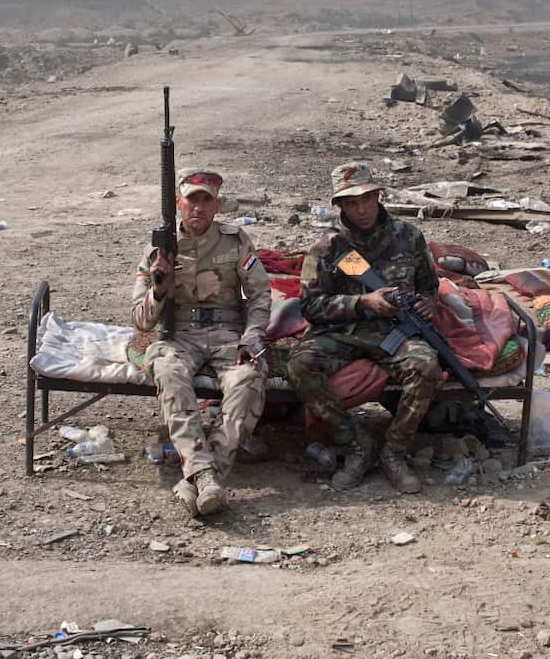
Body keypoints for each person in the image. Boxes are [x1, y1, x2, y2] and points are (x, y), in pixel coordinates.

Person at [286, 162, 442, 494]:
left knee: (426, 365)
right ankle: (357, 443)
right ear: (340, 205)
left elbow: (430, 284)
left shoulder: (408, 237)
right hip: (342, 331)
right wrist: (362, 303)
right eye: (352, 202)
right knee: (300, 366)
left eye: (368, 199)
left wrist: (430, 301)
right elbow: (311, 306)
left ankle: (394, 452)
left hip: (393, 331)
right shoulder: (328, 248)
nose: (362, 209)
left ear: (378, 195)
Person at [132, 168, 271, 516]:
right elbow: (140, 321)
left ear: (217, 205)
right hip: (178, 334)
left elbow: (259, 295)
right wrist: (159, 289)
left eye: (206, 200)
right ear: (179, 203)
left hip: (227, 333)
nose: (199, 207)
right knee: (167, 369)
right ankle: (206, 476)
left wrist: (252, 337)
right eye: (192, 199)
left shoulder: (235, 239)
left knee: (249, 377)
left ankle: (201, 478)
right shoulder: (159, 248)